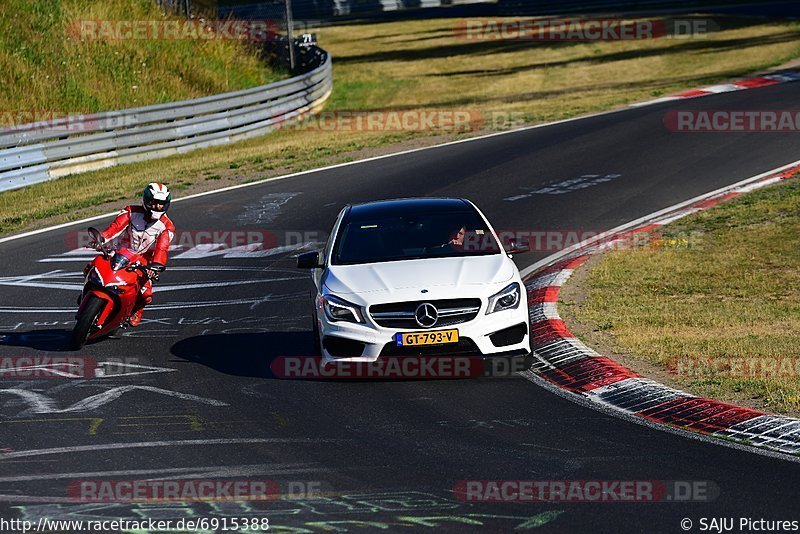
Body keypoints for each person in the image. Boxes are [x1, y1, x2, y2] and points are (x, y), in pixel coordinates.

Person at [90, 183, 175, 327]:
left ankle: (137, 309)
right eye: (154, 203)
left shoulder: (167, 226)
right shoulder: (130, 211)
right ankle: (89, 291)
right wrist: (101, 239)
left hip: (143, 261)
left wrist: (156, 265)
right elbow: (115, 228)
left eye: (161, 204)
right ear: (146, 201)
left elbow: (162, 248)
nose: (157, 207)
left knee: (146, 295)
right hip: (120, 251)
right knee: (93, 266)